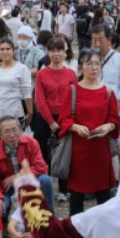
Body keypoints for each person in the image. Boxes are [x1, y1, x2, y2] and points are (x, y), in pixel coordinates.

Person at [61, 49, 120, 214]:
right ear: (81, 68)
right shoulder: (72, 90)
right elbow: (64, 119)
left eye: (97, 64)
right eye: (89, 64)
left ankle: (103, 231)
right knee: (77, 196)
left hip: (101, 149)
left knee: (103, 194)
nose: (94, 68)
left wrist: (108, 127)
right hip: (79, 150)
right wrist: (76, 127)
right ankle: (75, 233)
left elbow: (114, 120)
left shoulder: (108, 92)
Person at [0, 115, 55, 218]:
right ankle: (4, 219)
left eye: (14, 130)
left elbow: (41, 167)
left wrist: (17, 177)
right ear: (0, 134)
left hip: (28, 182)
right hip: (5, 188)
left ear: (20, 130)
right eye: (6, 131)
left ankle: (50, 217)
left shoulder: (31, 143)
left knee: (46, 180)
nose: (12, 135)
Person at [0, 38, 34, 153]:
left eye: (8, 49)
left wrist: (30, 112)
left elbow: (26, 93)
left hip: (14, 115)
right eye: (2, 49)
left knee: (15, 152)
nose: (5, 52)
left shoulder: (22, 69)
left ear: (13, 50)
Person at [33, 36, 77, 167]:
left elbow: (74, 99)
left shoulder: (71, 74)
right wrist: (51, 122)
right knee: (42, 153)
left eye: (59, 50)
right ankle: (44, 182)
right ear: (48, 53)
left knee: (64, 153)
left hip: (65, 118)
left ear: (64, 53)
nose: (56, 54)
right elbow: (40, 99)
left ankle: (64, 186)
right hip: (44, 118)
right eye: (52, 51)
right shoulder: (41, 74)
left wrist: (64, 119)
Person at [93, 27, 120, 120]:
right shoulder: (89, 59)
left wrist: (113, 114)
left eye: (101, 41)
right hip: (93, 110)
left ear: (109, 40)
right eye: (94, 41)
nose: (97, 44)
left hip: (113, 110)